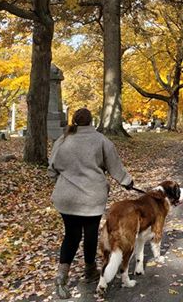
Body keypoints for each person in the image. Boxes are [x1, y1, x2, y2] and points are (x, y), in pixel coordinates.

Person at [47, 108, 133, 299]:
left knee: (71, 235)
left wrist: (63, 182)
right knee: (90, 234)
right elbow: (115, 167)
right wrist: (128, 182)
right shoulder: (100, 140)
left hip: (65, 197)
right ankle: (89, 270)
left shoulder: (62, 139)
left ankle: (62, 277)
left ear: (75, 121)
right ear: (91, 121)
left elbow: (51, 169)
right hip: (92, 197)